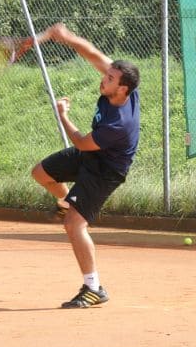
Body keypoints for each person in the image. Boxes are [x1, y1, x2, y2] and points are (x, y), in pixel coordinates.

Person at [27, 23, 140, 309]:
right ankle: (65, 201)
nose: (104, 79)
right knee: (40, 173)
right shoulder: (120, 85)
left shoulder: (118, 124)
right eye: (107, 73)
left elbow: (80, 142)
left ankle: (93, 287)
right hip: (92, 157)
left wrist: (63, 114)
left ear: (122, 88)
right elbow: (89, 52)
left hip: (105, 171)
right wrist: (65, 38)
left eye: (110, 78)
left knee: (74, 225)